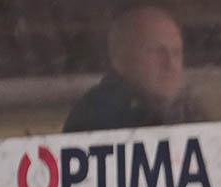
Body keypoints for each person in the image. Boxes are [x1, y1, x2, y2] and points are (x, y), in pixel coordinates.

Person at [65, 5, 208, 133]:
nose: (170, 64)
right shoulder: (98, 115)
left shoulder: (187, 111)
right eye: (157, 52)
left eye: (176, 53)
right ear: (121, 59)